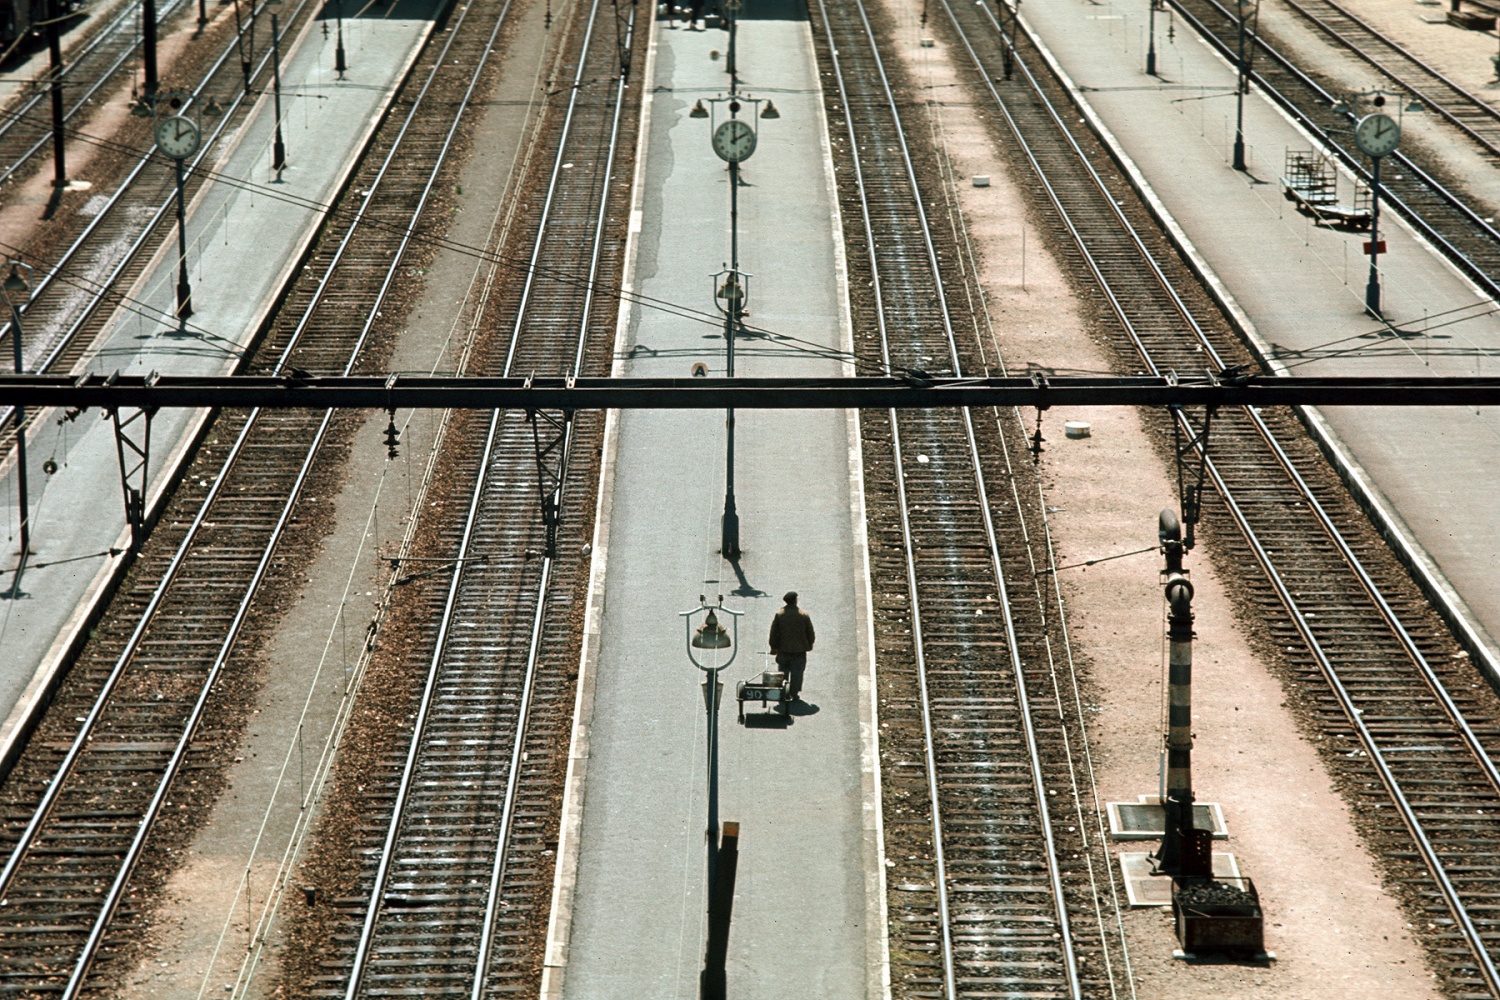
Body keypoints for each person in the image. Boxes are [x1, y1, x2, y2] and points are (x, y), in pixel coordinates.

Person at [768, 591, 815, 703]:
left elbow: (774, 632)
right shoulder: (803, 615)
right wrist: (809, 645)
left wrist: (773, 647)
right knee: (797, 672)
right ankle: (794, 693)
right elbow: (810, 633)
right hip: (799, 650)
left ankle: (783, 690)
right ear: (795, 600)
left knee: (783, 671)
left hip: (783, 649)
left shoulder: (779, 614)